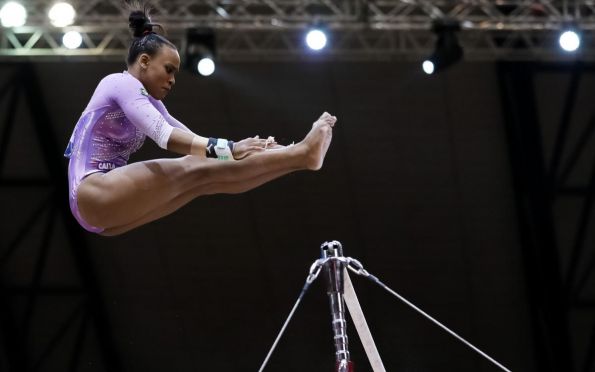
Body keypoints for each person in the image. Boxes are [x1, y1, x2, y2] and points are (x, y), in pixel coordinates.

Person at [64, 3, 337, 236]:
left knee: (205, 176)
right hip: (92, 190)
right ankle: (301, 153)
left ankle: (298, 156)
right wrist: (229, 149)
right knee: (198, 166)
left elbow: (195, 146)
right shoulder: (119, 83)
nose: (172, 80)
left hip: (101, 215)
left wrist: (245, 149)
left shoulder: (152, 102)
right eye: (168, 70)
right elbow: (165, 136)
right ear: (144, 61)